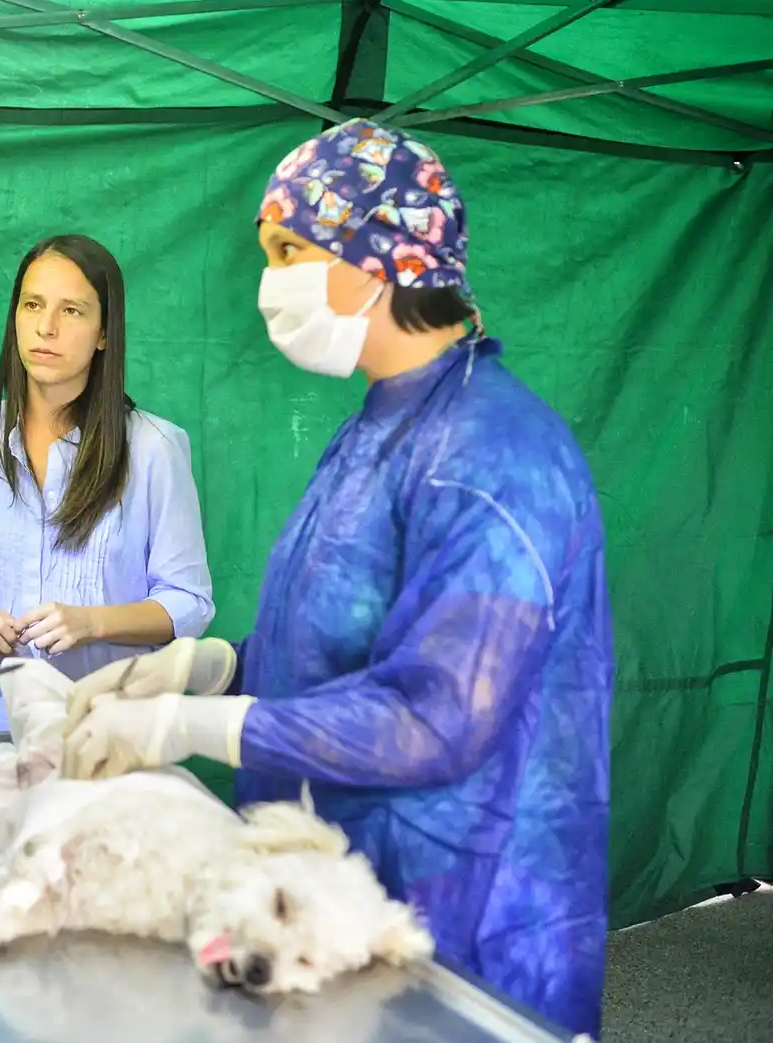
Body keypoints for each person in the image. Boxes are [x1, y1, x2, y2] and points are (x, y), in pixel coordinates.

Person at [59, 120, 612, 1038]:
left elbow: (438, 716)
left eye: (288, 251)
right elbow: (328, 645)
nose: (268, 283)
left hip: (463, 930)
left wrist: (184, 726)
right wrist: (207, 667)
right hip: (331, 910)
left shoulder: (495, 456)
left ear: (376, 255)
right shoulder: (377, 429)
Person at [0, 234, 215, 731]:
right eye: (32, 305)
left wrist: (92, 622)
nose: (46, 327)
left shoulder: (155, 447)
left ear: (104, 333)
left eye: (72, 310)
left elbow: (189, 602)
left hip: (108, 729)